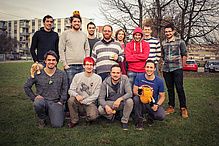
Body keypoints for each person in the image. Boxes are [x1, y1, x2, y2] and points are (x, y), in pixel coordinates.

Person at [24, 50, 68, 129]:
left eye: (53, 60)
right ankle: (42, 119)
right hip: (42, 100)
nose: (51, 62)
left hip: (55, 102)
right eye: (49, 60)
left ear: (57, 62)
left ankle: (52, 112)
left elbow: (65, 89)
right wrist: (34, 97)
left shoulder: (61, 73)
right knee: (38, 103)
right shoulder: (38, 73)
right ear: (45, 61)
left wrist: (61, 101)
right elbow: (26, 86)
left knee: (57, 125)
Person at [59, 11, 90, 119]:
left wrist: (86, 63)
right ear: (71, 22)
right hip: (70, 66)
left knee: (81, 88)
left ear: (80, 23)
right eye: (75, 21)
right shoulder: (65, 34)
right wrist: (65, 64)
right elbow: (61, 49)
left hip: (82, 66)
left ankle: (80, 109)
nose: (77, 23)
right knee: (70, 88)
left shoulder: (83, 35)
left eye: (78, 21)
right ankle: (68, 110)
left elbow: (87, 49)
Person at [161, 24, 188, 118]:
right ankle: (171, 106)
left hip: (177, 68)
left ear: (173, 32)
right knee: (170, 89)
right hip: (166, 69)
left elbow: (184, 54)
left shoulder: (180, 42)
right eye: (166, 32)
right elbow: (163, 55)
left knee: (179, 88)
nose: (168, 33)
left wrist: (181, 66)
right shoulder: (163, 43)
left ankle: (183, 108)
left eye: (169, 31)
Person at [67, 57, 102, 128]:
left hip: (90, 102)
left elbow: (96, 95)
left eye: (91, 65)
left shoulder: (98, 78)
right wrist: (76, 95)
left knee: (93, 116)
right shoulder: (77, 76)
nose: (89, 67)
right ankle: (74, 120)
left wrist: (84, 101)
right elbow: (71, 90)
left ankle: (88, 118)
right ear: (83, 66)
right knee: (71, 100)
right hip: (78, 100)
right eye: (87, 64)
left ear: (93, 66)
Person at [98, 65, 133, 130]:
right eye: (113, 73)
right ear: (110, 73)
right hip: (111, 103)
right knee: (100, 109)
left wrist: (120, 99)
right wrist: (106, 106)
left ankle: (124, 121)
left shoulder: (125, 79)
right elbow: (101, 98)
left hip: (121, 103)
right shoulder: (105, 82)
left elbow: (129, 93)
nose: (115, 75)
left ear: (121, 73)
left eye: (117, 73)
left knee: (130, 101)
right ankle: (111, 116)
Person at [133, 60, 166, 130]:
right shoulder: (139, 77)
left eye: (151, 67)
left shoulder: (159, 81)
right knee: (136, 99)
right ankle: (139, 121)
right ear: (144, 68)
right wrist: (140, 94)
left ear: (154, 69)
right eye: (147, 67)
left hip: (152, 103)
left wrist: (157, 105)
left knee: (161, 116)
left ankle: (150, 117)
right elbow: (134, 90)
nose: (149, 69)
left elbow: (162, 96)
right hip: (141, 102)